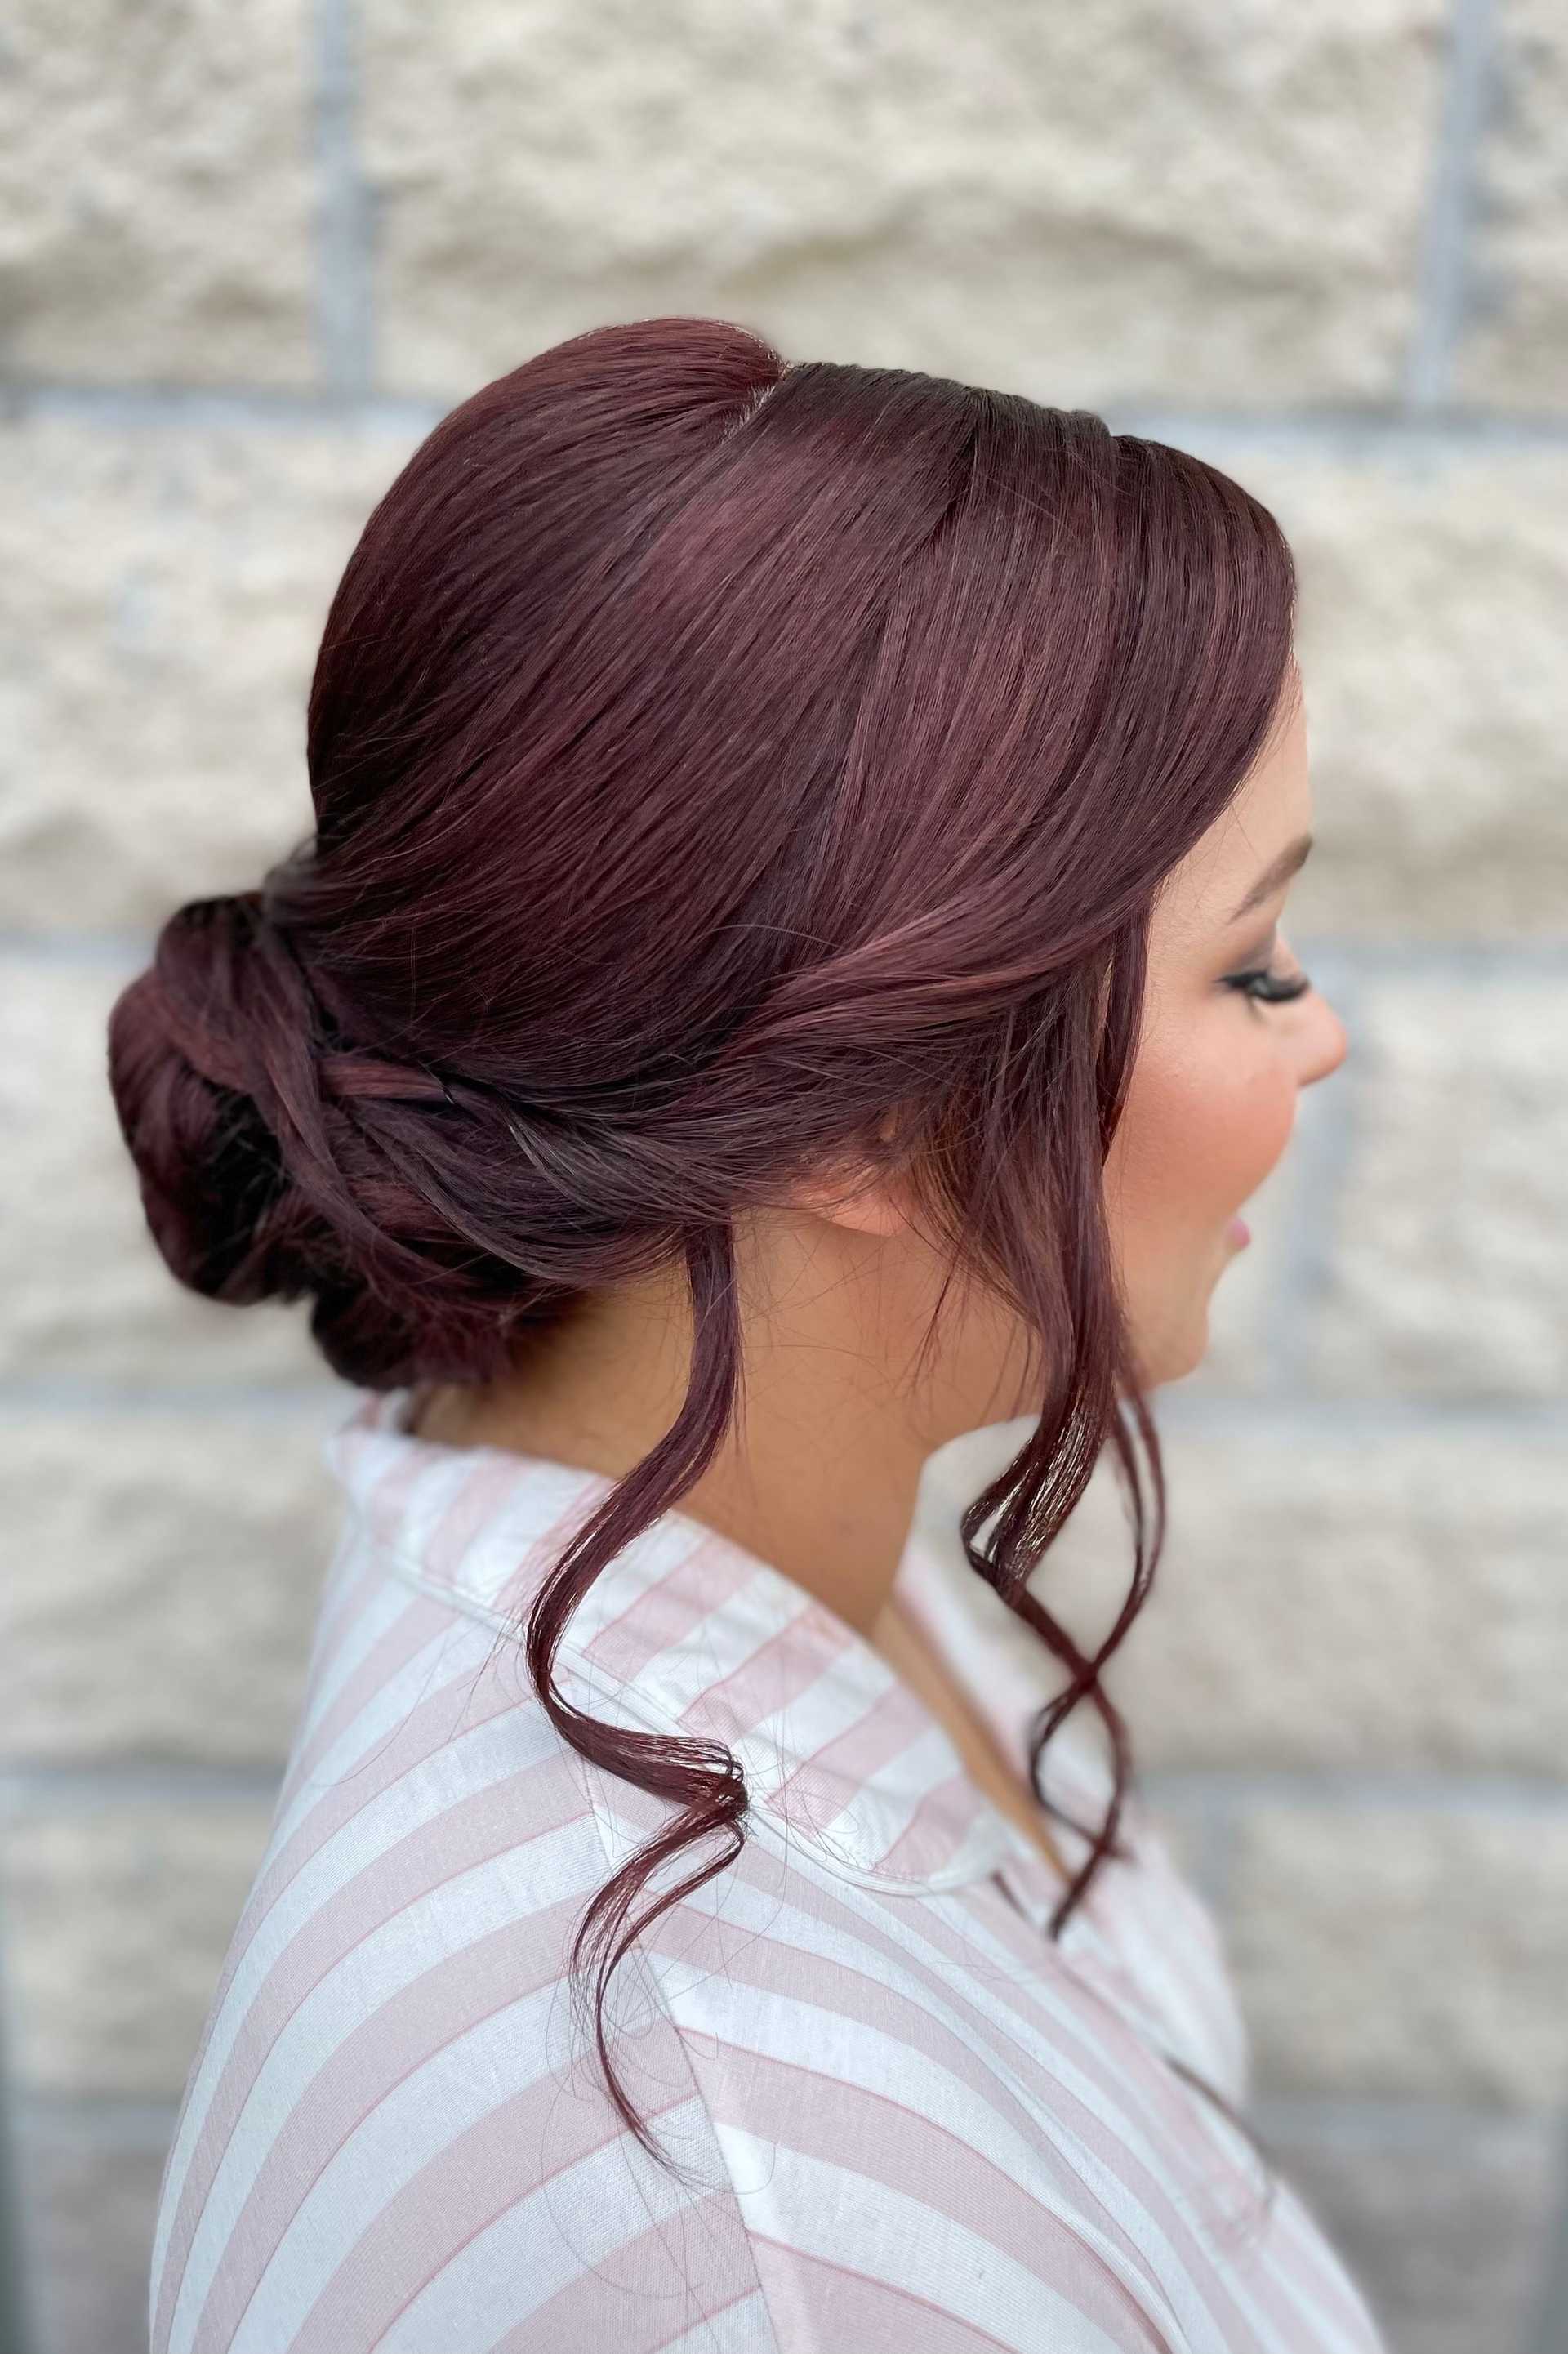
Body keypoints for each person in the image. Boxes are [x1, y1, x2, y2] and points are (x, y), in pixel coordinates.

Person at [111, 316, 1381, 2352]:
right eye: (1253, 965)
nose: (1320, 1039)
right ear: (869, 1112)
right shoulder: (725, 2241)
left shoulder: (758, 1520)